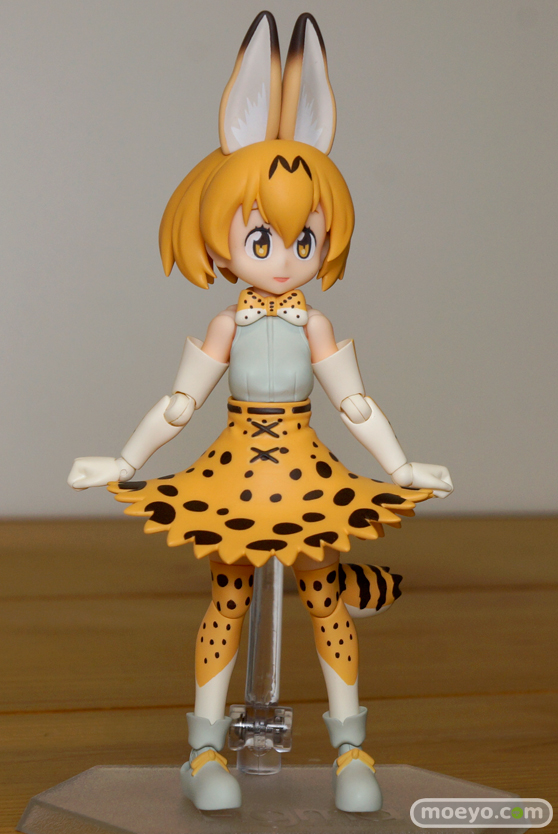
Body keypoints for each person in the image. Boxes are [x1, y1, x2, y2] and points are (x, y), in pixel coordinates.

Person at [68, 11, 453, 814]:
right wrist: (126, 461)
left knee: (324, 596)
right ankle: (204, 753)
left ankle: (351, 750)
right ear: (222, 240)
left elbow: (354, 402)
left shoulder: (314, 325)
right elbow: (181, 402)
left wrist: (400, 465)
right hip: (234, 474)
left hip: (307, 475)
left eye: (303, 241)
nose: (285, 260)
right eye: (263, 240)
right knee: (228, 600)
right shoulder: (226, 325)